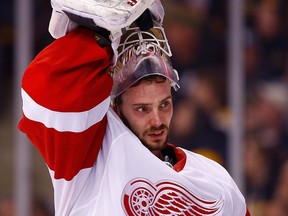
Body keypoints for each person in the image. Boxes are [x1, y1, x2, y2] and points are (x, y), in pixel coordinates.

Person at [18, 0, 250, 215]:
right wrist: (99, 36)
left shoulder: (215, 178)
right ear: (115, 106)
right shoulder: (93, 158)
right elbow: (45, 91)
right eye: (142, 109)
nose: (158, 120)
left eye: (164, 104)